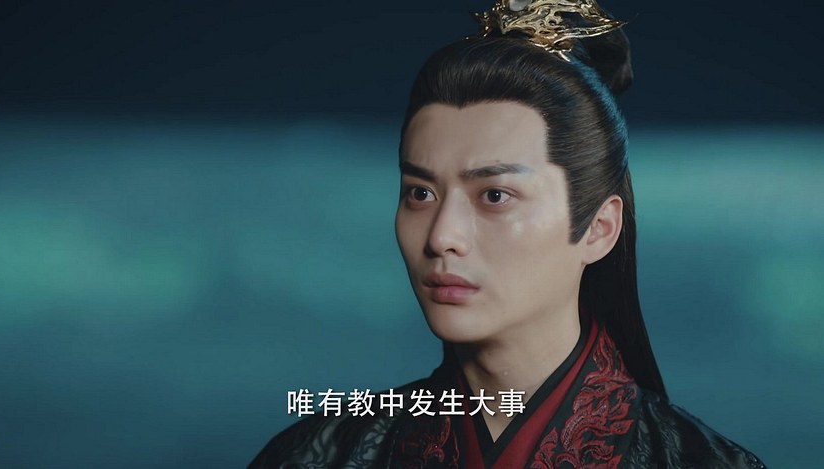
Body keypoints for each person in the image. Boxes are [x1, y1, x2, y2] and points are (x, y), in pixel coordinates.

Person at [249, 0, 766, 467]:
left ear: (599, 228)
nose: (442, 237)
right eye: (421, 193)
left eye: (494, 195)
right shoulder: (316, 455)